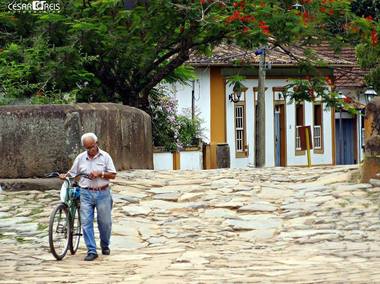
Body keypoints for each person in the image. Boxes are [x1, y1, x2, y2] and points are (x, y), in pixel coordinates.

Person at [60, 132, 117, 261]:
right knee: (86, 222)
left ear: (96, 144)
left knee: (105, 223)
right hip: (85, 192)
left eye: (91, 146)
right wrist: (65, 175)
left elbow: (113, 175)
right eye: (87, 148)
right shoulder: (80, 158)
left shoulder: (105, 157)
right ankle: (91, 250)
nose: (90, 150)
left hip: (103, 192)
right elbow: (73, 172)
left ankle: (105, 245)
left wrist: (100, 173)